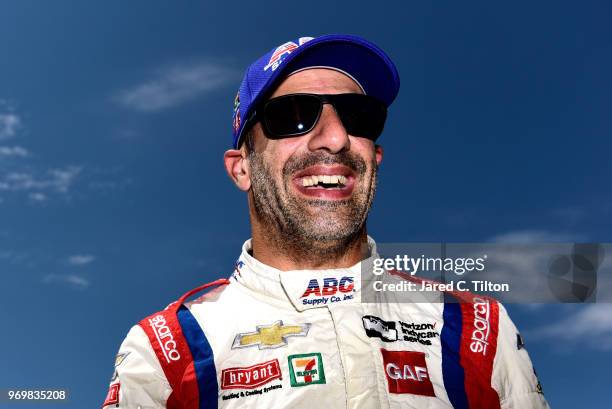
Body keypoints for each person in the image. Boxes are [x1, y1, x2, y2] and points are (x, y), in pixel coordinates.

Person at [102, 34, 550, 409]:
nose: (335, 138)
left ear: (375, 156)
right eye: (293, 116)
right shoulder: (168, 348)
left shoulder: (477, 326)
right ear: (242, 169)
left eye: (358, 116)